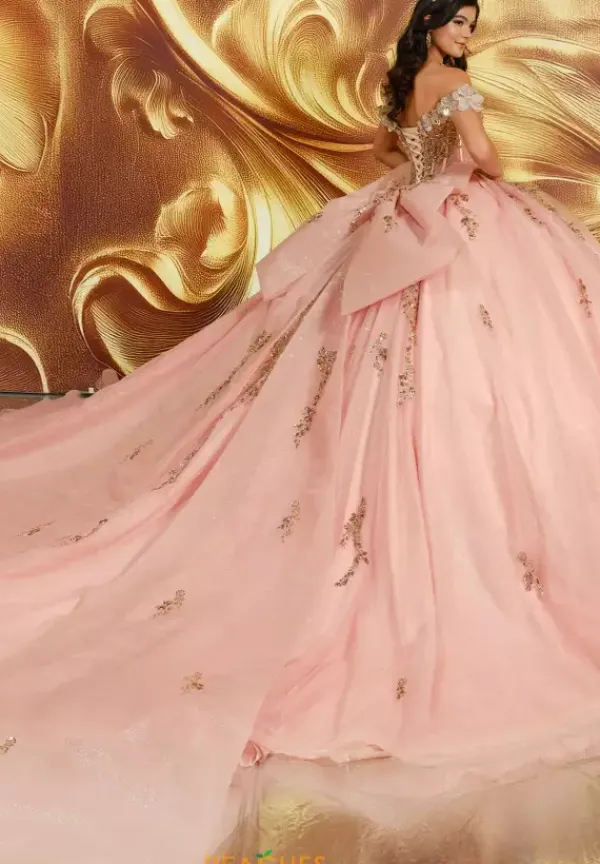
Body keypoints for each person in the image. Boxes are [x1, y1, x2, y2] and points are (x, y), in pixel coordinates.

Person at [2, 0, 600, 860]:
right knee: (470, 374)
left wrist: (427, 172)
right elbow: (483, 159)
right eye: (459, 23)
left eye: (472, 24)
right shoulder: (456, 85)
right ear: (435, 25)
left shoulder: (410, 85)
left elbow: (400, 156)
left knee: (380, 376)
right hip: (456, 229)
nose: (467, 35)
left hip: (405, 221)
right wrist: (473, 162)